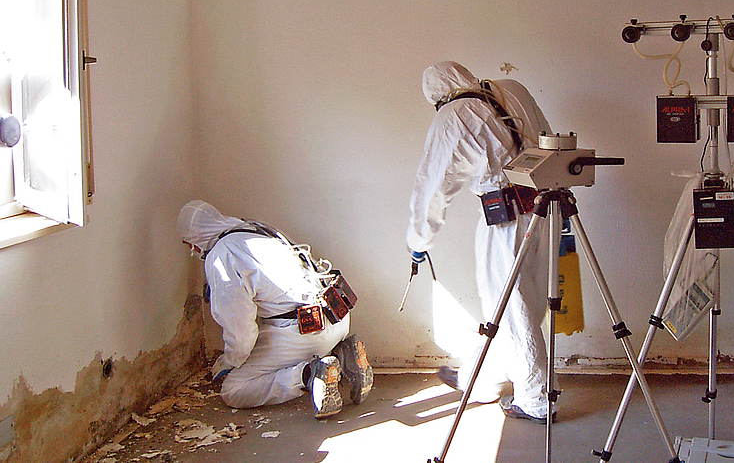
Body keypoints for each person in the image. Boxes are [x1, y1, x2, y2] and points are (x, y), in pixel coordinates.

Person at [406, 61, 554, 423]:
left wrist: (419, 240)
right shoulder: (512, 88)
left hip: (506, 219)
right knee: (529, 301)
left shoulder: (451, 118)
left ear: (438, 97)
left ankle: (536, 399)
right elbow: (547, 140)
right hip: (547, 205)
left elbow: (433, 188)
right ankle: (484, 379)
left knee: (509, 307)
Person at [178, 200, 373, 418]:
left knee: (234, 389)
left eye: (189, 245)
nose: (194, 251)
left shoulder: (221, 256)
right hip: (337, 316)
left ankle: (311, 374)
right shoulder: (254, 229)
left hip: (306, 331)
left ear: (196, 240)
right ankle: (342, 353)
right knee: (276, 337)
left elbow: (240, 331)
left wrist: (230, 361)